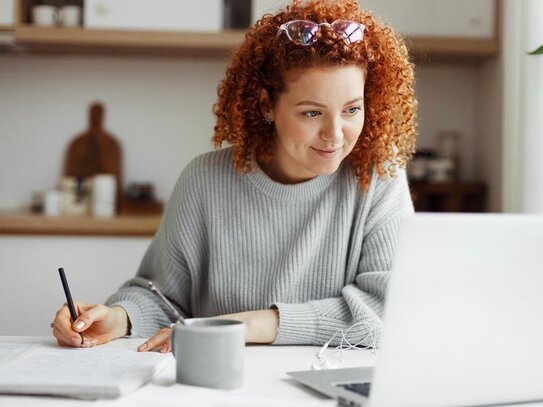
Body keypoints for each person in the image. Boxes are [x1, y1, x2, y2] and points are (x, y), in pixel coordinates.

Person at [52, 0, 417, 352]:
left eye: (352, 109)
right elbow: (162, 296)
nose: (335, 134)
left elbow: (392, 309)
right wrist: (120, 317)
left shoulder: (379, 178)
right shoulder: (204, 181)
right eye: (311, 113)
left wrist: (252, 325)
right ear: (265, 105)